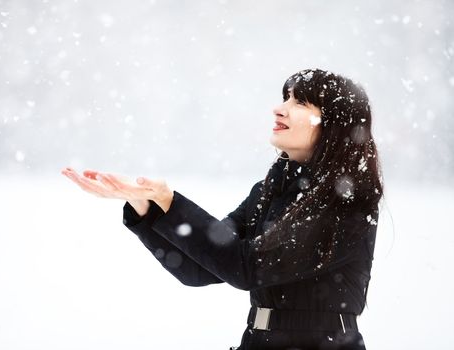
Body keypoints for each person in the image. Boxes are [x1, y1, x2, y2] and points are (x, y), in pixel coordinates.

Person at [61, 68, 384, 349]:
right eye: (285, 98)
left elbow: (247, 268)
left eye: (299, 102)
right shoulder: (269, 191)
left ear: (333, 124)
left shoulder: (346, 202)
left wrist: (169, 200)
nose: (279, 109)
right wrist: (147, 205)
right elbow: (199, 267)